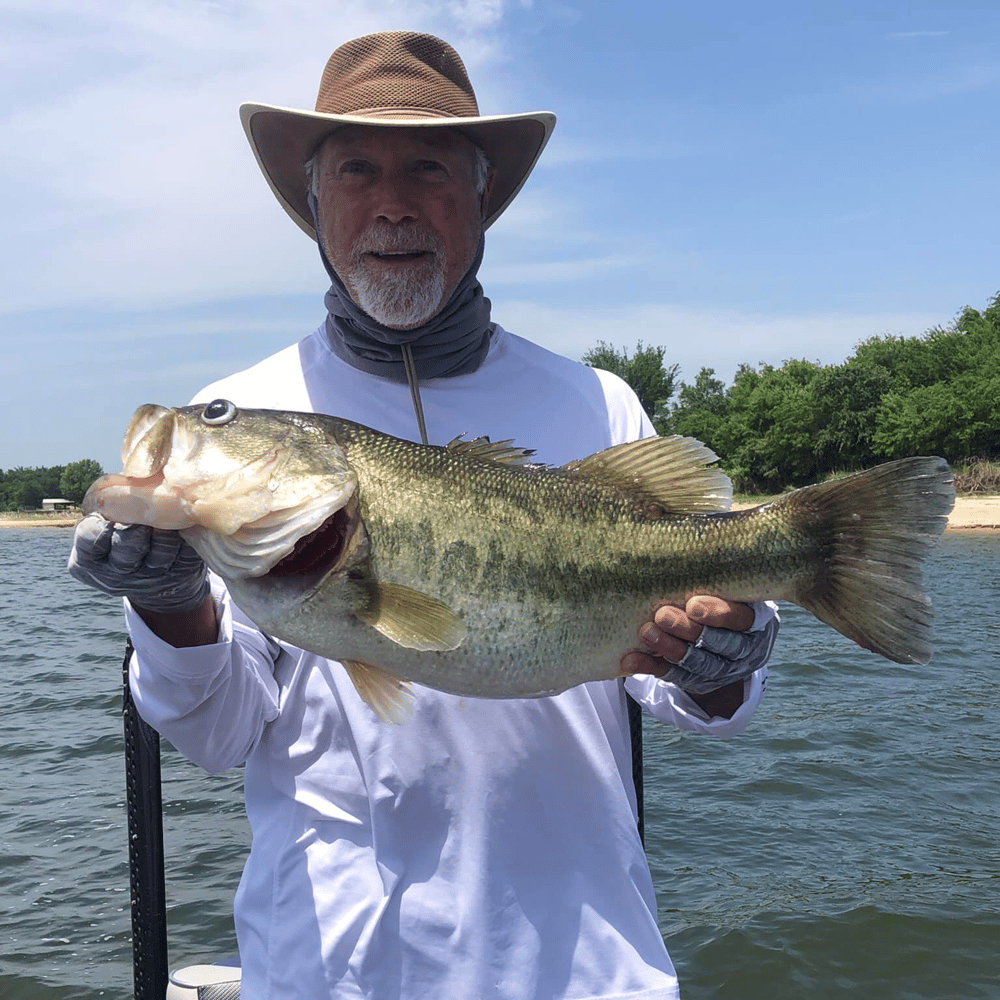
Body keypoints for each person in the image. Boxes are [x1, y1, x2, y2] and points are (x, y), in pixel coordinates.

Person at [69, 31, 778, 1000]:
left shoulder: (597, 405)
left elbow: (691, 700)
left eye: (429, 168)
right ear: (315, 202)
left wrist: (726, 660)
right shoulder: (244, 404)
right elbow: (218, 736)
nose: (392, 203)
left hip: (578, 964)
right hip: (329, 969)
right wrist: (170, 605)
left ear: (482, 193)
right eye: (356, 169)